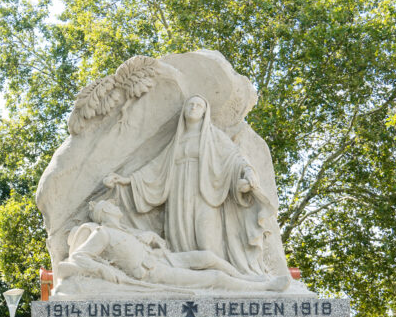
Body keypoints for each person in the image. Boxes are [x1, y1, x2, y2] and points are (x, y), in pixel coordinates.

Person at [103, 95, 279, 277]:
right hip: (178, 195)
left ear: (205, 112)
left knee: (206, 239)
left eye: (198, 105)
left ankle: (226, 277)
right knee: (179, 240)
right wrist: (128, 180)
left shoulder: (213, 136)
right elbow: (157, 167)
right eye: (190, 105)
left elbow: (234, 158)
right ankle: (189, 279)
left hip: (205, 193)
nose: (193, 108)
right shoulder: (177, 140)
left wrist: (248, 172)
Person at [56, 200, 289, 293]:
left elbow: (148, 244)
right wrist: (104, 271)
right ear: (106, 212)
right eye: (113, 206)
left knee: (209, 257)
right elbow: (79, 258)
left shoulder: (126, 229)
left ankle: (248, 278)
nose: (118, 208)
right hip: (154, 273)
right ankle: (265, 289)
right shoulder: (102, 233)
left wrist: (152, 239)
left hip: (165, 258)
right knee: (215, 278)